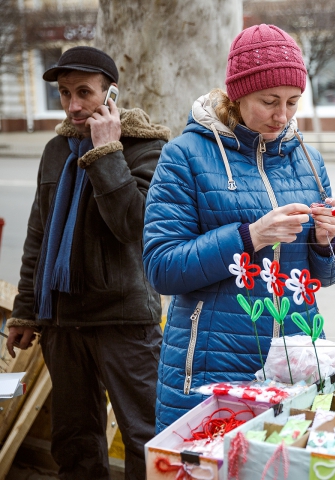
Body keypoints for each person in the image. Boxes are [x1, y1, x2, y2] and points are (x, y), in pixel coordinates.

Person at [143, 24, 335, 432]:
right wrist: (249, 237)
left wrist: (326, 244)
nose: (282, 116)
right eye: (269, 101)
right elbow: (162, 268)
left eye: (292, 102)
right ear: (237, 94)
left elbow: (323, 277)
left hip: (295, 361)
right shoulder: (184, 156)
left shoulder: (307, 160)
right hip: (210, 366)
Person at [5, 47, 170, 479]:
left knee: (145, 436)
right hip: (62, 320)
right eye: (64, 93)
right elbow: (38, 234)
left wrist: (107, 151)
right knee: (75, 440)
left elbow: (132, 225)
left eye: (85, 92)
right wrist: (25, 310)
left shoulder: (147, 147)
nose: (74, 105)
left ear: (110, 93)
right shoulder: (56, 149)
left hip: (123, 319)